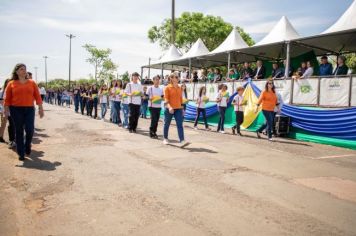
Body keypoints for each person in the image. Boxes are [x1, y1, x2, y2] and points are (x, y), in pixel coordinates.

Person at [4, 63, 44, 161]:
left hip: (29, 109)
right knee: (19, 130)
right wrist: (6, 110)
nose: (24, 71)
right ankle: (21, 153)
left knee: (30, 129)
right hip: (16, 110)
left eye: (25, 69)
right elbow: (7, 99)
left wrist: (40, 108)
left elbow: (37, 96)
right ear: (16, 71)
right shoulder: (11, 83)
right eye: (21, 69)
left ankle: (27, 145)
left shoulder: (32, 82)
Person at [163, 73, 188, 147]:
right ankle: (165, 138)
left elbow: (180, 99)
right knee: (167, 124)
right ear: (170, 78)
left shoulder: (180, 88)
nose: (175, 78)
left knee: (180, 125)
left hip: (178, 109)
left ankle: (182, 140)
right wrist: (169, 107)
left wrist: (182, 108)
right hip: (169, 109)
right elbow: (166, 99)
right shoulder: (167, 87)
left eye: (176, 77)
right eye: (173, 77)